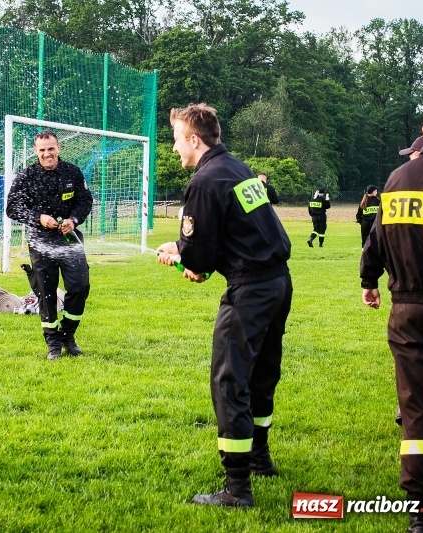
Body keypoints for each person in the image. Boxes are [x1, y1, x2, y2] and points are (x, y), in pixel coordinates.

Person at [157, 103, 293, 508]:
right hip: (278, 282)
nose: (175, 149)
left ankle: (237, 488)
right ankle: (259, 458)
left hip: (250, 290)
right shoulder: (239, 168)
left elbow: (199, 258)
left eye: (178, 140)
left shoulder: (205, 180)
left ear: (194, 140)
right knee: (263, 373)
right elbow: (234, 232)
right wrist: (187, 251)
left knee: (229, 381)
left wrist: (182, 257)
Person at [360, 97, 423, 532]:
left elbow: (376, 240)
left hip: (406, 311)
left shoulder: (398, 179)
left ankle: (420, 514)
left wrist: (369, 281)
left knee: (416, 411)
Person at [5, 130, 93, 361]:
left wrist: (73, 220)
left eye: (51, 148)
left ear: (58, 148)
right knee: (47, 293)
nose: (47, 154)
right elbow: (12, 208)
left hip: (69, 240)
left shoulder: (72, 172)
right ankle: (53, 343)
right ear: (36, 151)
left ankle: (68, 335)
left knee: (80, 287)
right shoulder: (26, 176)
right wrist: (38, 218)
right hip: (40, 242)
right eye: (42, 150)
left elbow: (85, 201)